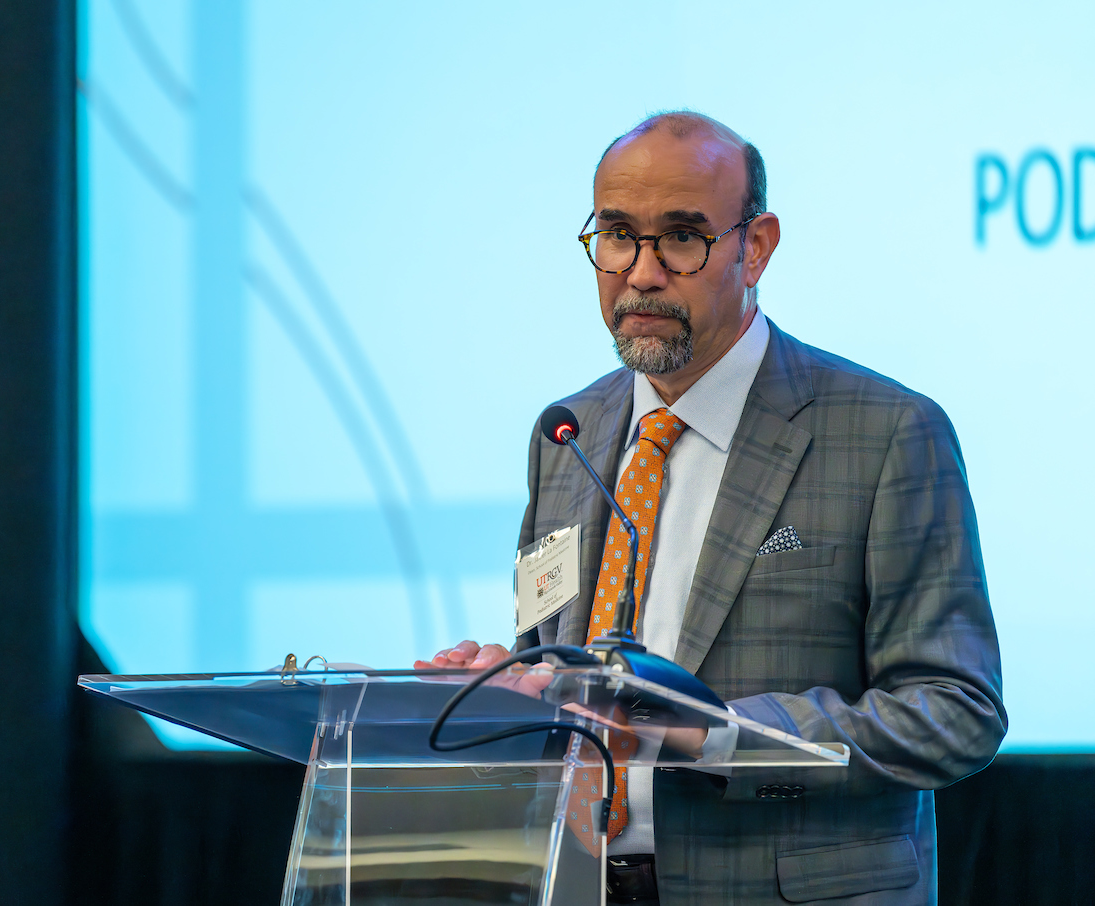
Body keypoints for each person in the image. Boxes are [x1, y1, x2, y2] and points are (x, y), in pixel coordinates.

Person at [416, 111, 1006, 904]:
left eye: (682, 238)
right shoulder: (566, 433)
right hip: (577, 880)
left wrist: (717, 734)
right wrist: (512, 683)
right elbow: (559, 662)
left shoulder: (885, 433)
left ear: (754, 246)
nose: (642, 273)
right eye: (618, 234)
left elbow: (956, 712)